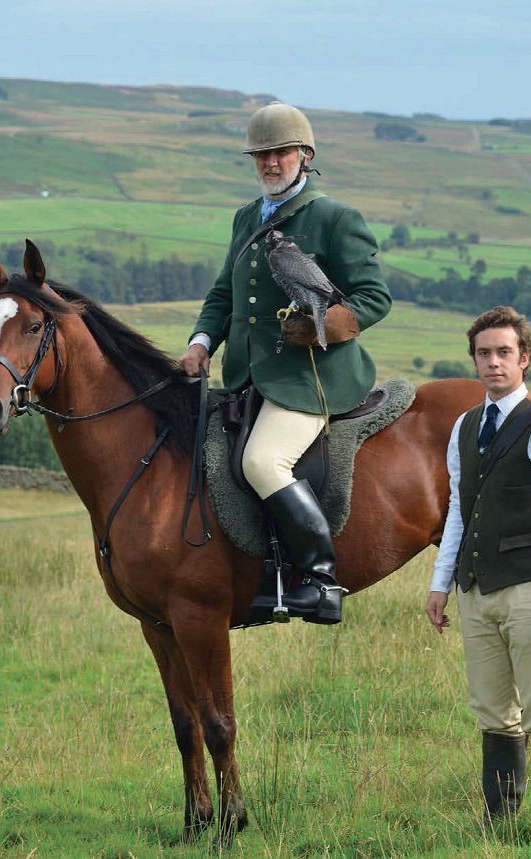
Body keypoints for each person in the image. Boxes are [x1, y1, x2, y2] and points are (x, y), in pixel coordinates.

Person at [179, 101, 391, 625]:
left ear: (305, 155)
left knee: (261, 462)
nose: (270, 163)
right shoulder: (247, 217)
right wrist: (202, 342)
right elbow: (224, 293)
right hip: (248, 374)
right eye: (261, 154)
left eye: (281, 152)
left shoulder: (335, 217)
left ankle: (320, 579)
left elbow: (374, 296)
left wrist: (329, 327)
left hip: (311, 377)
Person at [424, 305, 531, 836]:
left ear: (525, 359)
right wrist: (439, 583)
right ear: (474, 360)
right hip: (476, 590)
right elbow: (459, 508)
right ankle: (499, 823)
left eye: (504, 353)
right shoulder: (464, 425)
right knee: (493, 713)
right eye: (484, 353)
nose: (493, 363)